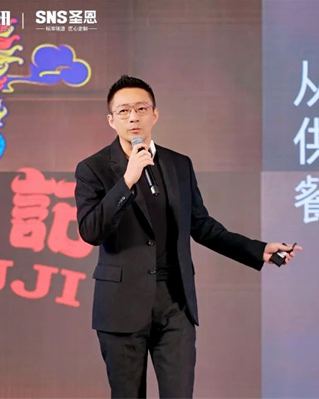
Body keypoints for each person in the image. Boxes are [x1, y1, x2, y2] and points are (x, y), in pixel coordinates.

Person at [74, 75, 302, 398]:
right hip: (122, 307)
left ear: (155, 114)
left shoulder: (178, 164)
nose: (133, 117)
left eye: (141, 108)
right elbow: (91, 231)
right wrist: (127, 181)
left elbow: (202, 226)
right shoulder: (92, 168)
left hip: (175, 303)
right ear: (111, 120)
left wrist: (258, 250)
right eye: (124, 111)